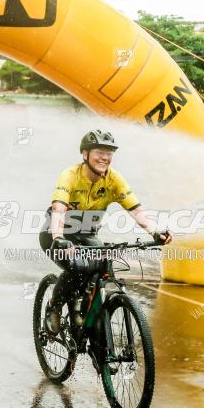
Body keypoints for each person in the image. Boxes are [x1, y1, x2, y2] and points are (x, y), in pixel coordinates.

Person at [39, 129, 172, 334]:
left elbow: (135, 209)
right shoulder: (70, 175)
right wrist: (58, 238)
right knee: (78, 266)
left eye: (109, 153)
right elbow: (59, 208)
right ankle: (54, 307)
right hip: (56, 234)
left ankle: (84, 312)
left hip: (87, 234)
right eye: (99, 152)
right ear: (85, 154)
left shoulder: (113, 179)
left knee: (100, 265)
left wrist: (155, 232)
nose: (105, 157)